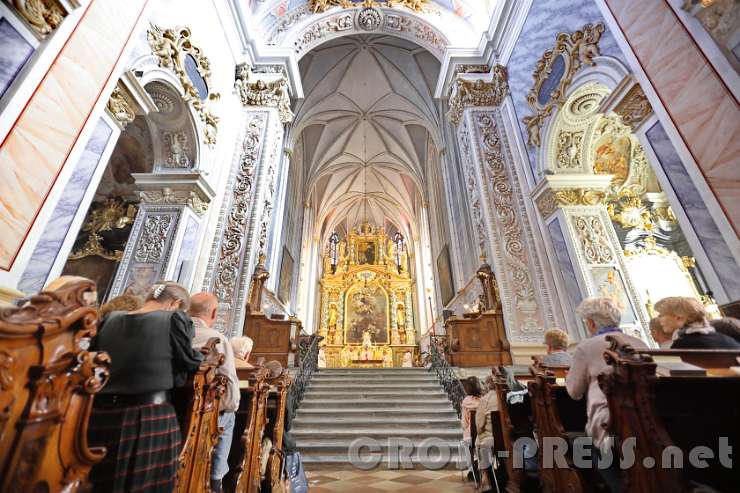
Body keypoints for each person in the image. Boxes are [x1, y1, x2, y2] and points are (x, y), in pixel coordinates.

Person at [87, 281, 203, 493]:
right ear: (175, 303)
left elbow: (93, 359)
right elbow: (189, 361)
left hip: (101, 416)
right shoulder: (174, 319)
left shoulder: (110, 319)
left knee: (99, 483)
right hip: (148, 417)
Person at [566, 297, 646, 493]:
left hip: (609, 420)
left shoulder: (587, 346)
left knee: (583, 443)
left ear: (591, 323)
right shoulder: (639, 342)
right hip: (644, 416)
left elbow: (574, 392)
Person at [188, 292, 240, 493]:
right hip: (206, 416)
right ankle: (216, 479)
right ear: (215, 312)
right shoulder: (216, 339)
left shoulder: (171, 334)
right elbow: (230, 393)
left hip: (172, 410)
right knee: (229, 414)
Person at [655, 296, 740, 349]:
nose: (659, 319)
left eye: (661, 315)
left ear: (678, 317)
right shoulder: (723, 338)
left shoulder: (683, 345)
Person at [460, 376, 483, 480]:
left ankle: (471, 470)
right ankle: (483, 466)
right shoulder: (484, 400)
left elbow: (464, 424)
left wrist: (466, 428)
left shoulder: (466, 401)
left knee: (466, 443)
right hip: (484, 434)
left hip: (470, 436)